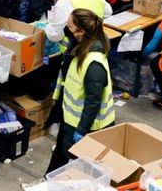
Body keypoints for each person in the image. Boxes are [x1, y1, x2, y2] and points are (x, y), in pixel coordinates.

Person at [46, 9, 115, 174]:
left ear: (81, 32)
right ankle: (49, 180)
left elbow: (93, 101)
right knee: (61, 154)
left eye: (69, 26)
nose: (66, 28)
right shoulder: (80, 47)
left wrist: (82, 130)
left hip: (89, 125)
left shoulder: (94, 64)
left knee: (86, 168)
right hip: (70, 118)